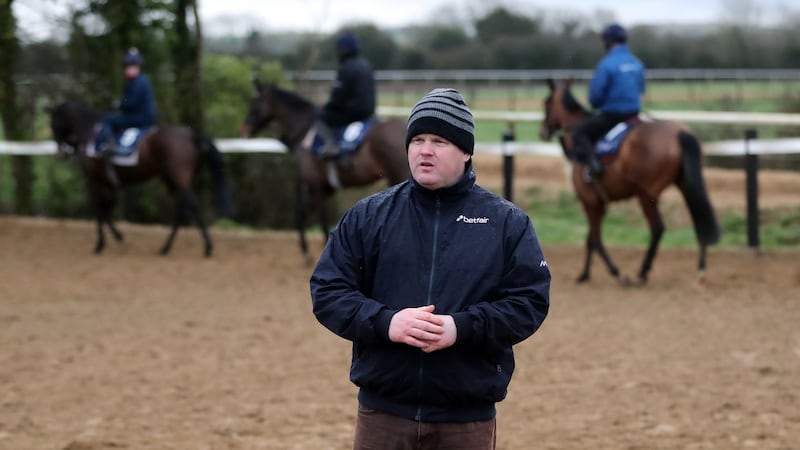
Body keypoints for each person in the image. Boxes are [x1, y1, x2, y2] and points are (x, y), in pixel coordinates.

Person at [310, 88, 551, 449]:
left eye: (439, 141)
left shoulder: (506, 223)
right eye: (417, 140)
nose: (424, 150)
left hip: (466, 419)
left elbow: (528, 302)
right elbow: (328, 290)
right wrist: (387, 322)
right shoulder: (367, 216)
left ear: (466, 151)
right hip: (383, 416)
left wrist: (461, 328)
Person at [573, 23, 645, 180]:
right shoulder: (636, 63)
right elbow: (641, 91)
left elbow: (595, 97)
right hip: (634, 115)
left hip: (613, 116)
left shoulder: (606, 64)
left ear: (607, 42)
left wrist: (595, 104)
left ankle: (594, 167)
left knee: (579, 132)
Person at [97, 47, 158, 187]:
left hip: (140, 118)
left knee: (106, 119)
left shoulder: (138, 82)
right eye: (128, 66)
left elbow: (131, 103)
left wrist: (118, 105)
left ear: (137, 67)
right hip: (142, 116)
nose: (128, 69)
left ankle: (109, 145)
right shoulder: (140, 80)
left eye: (131, 66)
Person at [316, 31, 376, 160]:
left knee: (319, 118)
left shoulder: (345, 68)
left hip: (352, 113)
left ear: (343, 50)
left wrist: (326, 108)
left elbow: (338, 99)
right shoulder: (366, 64)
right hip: (370, 113)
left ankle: (331, 146)